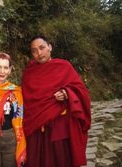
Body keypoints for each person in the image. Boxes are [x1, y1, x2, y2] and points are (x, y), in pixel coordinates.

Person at [21, 35, 91, 167]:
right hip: (35, 129)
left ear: (50, 47)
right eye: (34, 50)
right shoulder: (29, 73)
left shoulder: (64, 67)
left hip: (59, 127)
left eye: (42, 48)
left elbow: (81, 91)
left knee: (61, 161)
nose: (39, 53)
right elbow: (26, 101)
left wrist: (67, 93)